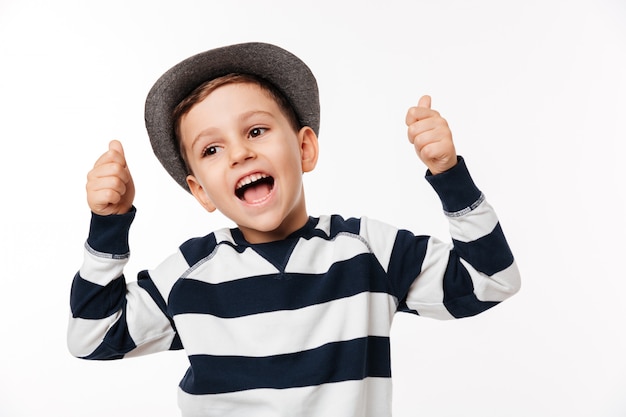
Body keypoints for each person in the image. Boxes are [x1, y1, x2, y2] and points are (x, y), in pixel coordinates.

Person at [68, 42, 520, 416]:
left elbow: (492, 281)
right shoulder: (191, 275)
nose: (239, 154)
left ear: (304, 148)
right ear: (201, 191)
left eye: (257, 130)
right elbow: (92, 338)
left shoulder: (367, 253)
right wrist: (108, 225)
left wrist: (448, 174)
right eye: (211, 150)